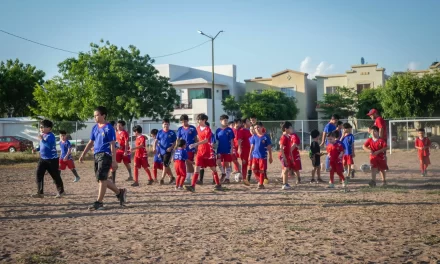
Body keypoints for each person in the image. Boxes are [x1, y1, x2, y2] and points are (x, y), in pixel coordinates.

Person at [79, 106, 127, 210]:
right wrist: (83, 154)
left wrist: (114, 161)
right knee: (101, 179)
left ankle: (99, 202)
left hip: (105, 155)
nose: (95, 117)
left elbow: (112, 145)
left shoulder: (109, 128)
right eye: (94, 115)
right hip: (97, 155)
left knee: (102, 178)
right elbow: (91, 142)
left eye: (97, 115)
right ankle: (120, 193)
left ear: (103, 115)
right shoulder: (95, 127)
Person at [185, 114, 223, 192]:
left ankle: (218, 184)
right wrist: (194, 145)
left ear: (204, 120)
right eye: (198, 120)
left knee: (213, 169)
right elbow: (198, 138)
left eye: (200, 120)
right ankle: (193, 186)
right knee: (197, 168)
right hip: (200, 151)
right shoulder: (197, 128)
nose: (199, 121)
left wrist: (196, 144)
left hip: (207, 151)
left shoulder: (207, 129)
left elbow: (206, 140)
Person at [31, 120, 65, 198]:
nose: (41, 128)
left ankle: (61, 191)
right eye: (40, 127)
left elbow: (49, 146)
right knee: (38, 174)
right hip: (43, 159)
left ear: (49, 128)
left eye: (43, 127)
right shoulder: (43, 135)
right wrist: (36, 149)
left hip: (52, 160)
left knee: (55, 176)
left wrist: (42, 139)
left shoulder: (51, 136)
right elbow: (41, 146)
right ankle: (40, 193)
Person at [249, 121, 273, 189]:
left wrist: (270, 157)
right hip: (255, 156)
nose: (257, 129)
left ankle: (261, 184)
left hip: (262, 156)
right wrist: (250, 154)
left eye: (258, 127)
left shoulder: (266, 137)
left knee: (262, 170)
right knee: (254, 169)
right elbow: (252, 147)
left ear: (262, 127)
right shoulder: (254, 137)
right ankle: (260, 180)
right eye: (255, 128)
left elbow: (269, 148)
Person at [154, 119, 177, 185]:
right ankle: (172, 177)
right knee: (166, 165)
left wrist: (171, 147)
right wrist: (154, 148)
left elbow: (175, 142)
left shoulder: (172, 133)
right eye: (164, 124)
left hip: (168, 151)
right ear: (162, 125)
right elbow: (156, 140)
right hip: (161, 151)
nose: (166, 125)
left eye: (167, 124)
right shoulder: (160, 132)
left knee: (165, 165)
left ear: (169, 125)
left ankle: (162, 179)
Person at [176, 114, 197, 184]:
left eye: (185, 121)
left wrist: (196, 147)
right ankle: (193, 177)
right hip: (182, 148)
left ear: (187, 121)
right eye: (182, 122)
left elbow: (195, 139)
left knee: (188, 162)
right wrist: (177, 147)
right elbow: (178, 139)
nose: (183, 123)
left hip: (190, 148)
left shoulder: (192, 128)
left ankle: (189, 178)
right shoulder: (180, 129)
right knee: (186, 163)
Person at [215, 115, 235, 183]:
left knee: (227, 164)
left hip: (227, 149)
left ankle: (227, 178)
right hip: (220, 149)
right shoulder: (218, 130)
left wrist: (232, 148)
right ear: (221, 121)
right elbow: (216, 141)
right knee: (218, 162)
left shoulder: (230, 130)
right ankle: (223, 173)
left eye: (227, 120)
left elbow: (232, 140)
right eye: (224, 120)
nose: (226, 122)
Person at [238, 118, 253, 185]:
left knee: (252, 164)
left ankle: (249, 177)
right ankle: (244, 178)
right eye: (247, 121)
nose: (249, 122)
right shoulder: (241, 131)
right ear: (244, 123)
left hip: (252, 149)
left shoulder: (251, 130)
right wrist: (239, 148)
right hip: (245, 150)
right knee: (245, 163)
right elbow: (239, 140)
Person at [279, 121, 293, 190]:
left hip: (287, 155)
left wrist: (291, 156)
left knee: (287, 169)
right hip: (283, 155)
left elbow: (289, 148)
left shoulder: (288, 137)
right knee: (285, 169)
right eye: (290, 128)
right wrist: (284, 157)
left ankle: (286, 183)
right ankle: (284, 184)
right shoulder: (283, 137)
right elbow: (281, 147)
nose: (291, 129)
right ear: (285, 129)